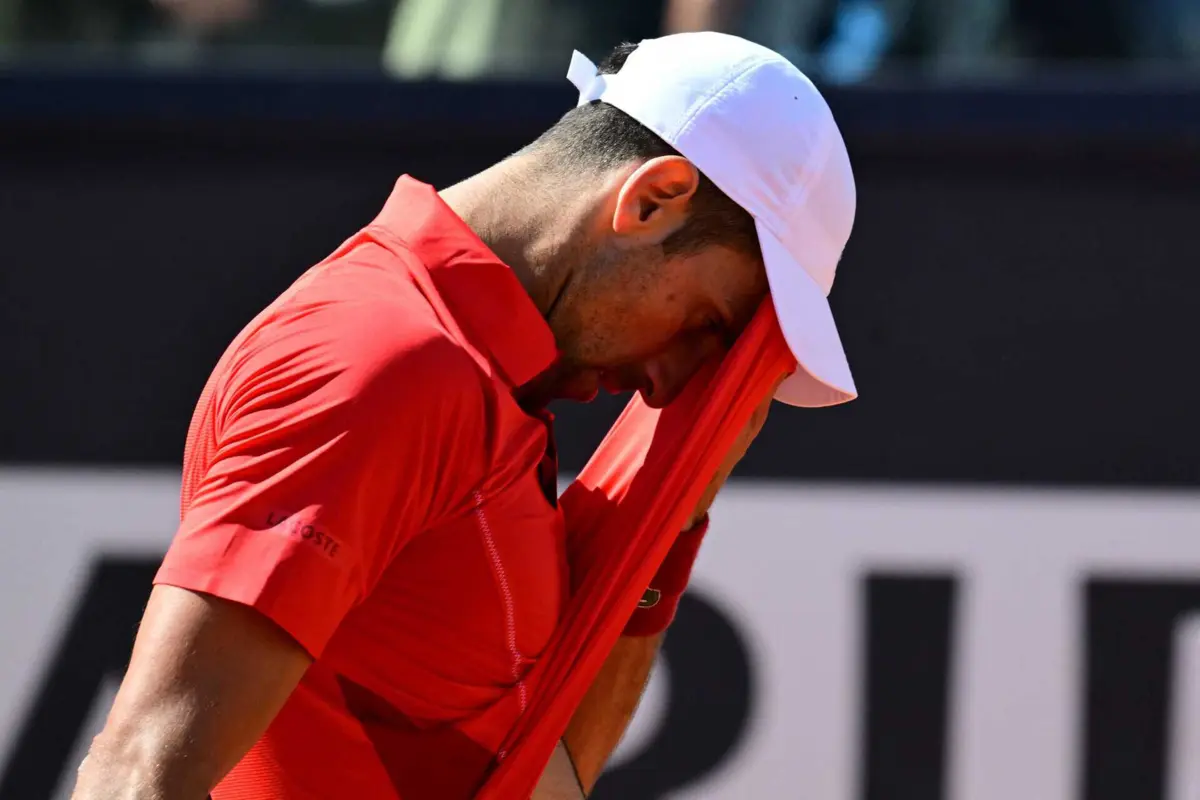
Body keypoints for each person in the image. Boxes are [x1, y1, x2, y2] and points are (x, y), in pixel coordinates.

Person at [70, 31, 858, 800]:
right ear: (651, 201)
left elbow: (541, 774)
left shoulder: (462, 380)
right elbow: (142, 771)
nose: (669, 388)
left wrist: (677, 508)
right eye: (709, 327)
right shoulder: (383, 367)